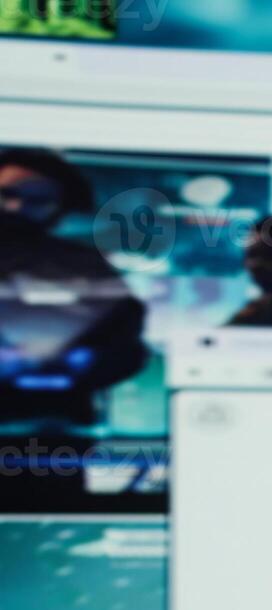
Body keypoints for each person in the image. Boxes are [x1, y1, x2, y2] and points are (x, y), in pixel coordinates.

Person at [0, 147, 148, 424]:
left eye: (38, 200)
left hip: (51, 428)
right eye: (6, 195)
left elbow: (125, 349)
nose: (15, 208)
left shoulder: (84, 266)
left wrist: (71, 361)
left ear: (61, 207)